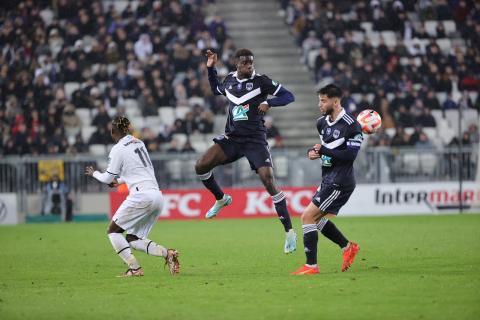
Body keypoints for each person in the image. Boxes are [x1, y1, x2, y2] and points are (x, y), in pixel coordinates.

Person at [195, 48, 297, 253]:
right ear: (237, 64)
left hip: (255, 140)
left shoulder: (262, 81)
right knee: (201, 166)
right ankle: (221, 198)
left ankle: (289, 233)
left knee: (268, 181)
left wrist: (269, 102)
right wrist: (211, 68)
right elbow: (216, 89)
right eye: (245, 63)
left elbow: (289, 96)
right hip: (232, 138)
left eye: (251, 62)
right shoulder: (229, 81)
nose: (249, 66)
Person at [85, 116, 180, 277]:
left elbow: (107, 178)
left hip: (141, 195)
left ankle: (134, 269)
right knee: (133, 238)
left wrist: (94, 173)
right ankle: (168, 254)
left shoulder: (118, 148)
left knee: (113, 231)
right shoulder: (139, 142)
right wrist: (120, 181)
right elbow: (141, 170)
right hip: (156, 195)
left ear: (112, 131)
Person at [291, 84, 361, 275]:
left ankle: (311, 266)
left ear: (335, 101)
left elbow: (349, 156)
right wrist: (313, 152)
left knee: (307, 217)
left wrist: (324, 151)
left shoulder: (352, 125)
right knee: (318, 221)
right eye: (319, 100)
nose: (319, 104)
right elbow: (324, 148)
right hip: (328, 179)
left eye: (323, 100)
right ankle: (348, 247)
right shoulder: (322, 123)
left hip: (341, 181)